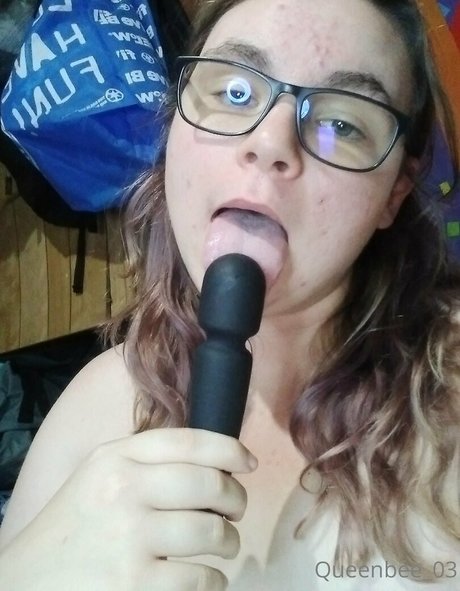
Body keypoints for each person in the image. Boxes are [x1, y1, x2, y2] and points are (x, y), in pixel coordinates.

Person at [0, 0, 459, 589]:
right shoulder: (96, 408)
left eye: (342, 124)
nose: (270, 142)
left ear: (394, 192)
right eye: (235, 91)